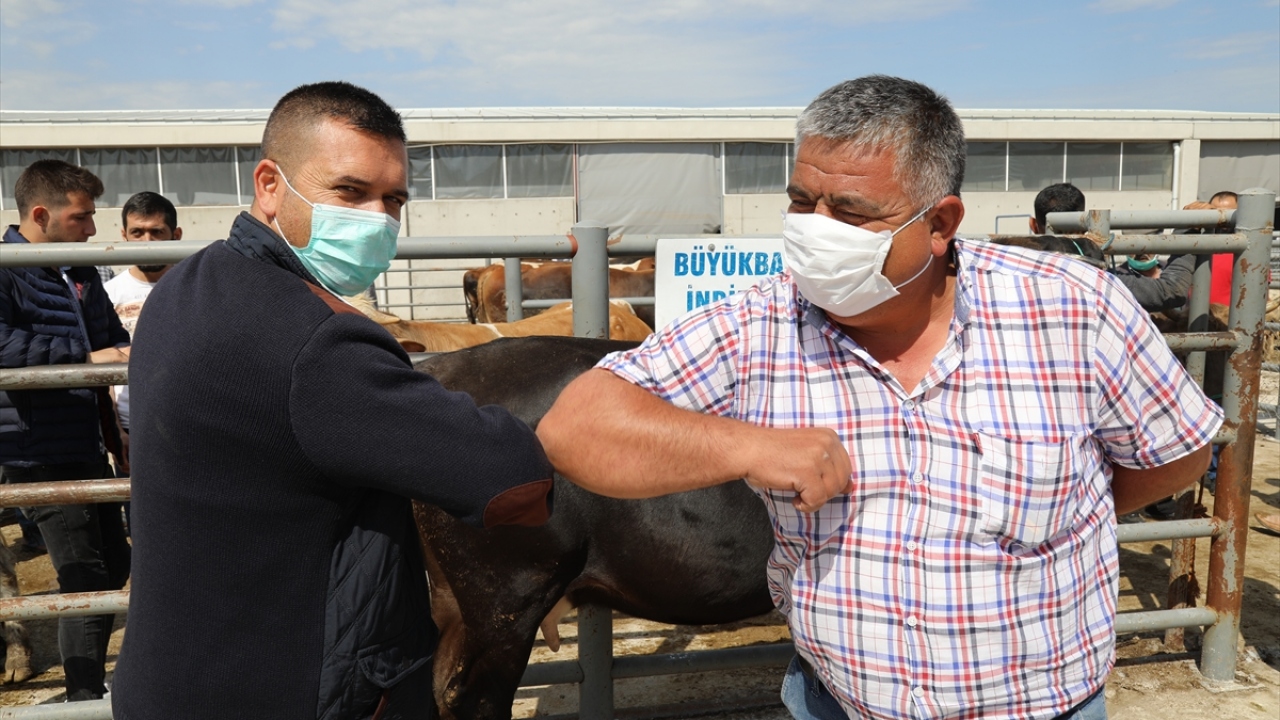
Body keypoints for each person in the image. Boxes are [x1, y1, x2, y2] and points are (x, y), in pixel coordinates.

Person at [536, 76, 1222, 720]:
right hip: (836, 701)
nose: (815, 228)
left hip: (1043, 705)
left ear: (940, 222)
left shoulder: (1073, 309)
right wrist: (744, 445)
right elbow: (576, 427)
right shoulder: (762, 324)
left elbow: (1174, 457)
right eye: (803, 201)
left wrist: (1074, 503)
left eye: (852, 211)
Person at [112, 81, 554, 720]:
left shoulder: (190, 285)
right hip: (288, 690)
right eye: (349, 192)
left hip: (175, 674)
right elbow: (511, 482)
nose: (377, 218)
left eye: (394, 199)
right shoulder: (314, 342)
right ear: (270, 184)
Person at [0, 160, 132, 701]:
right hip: (38, 450)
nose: (93, 230)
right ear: (40, 214)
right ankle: (83, 695)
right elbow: (4, 346)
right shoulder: (6, 268)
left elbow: (113, 336)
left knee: (114, 564)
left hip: (86, 441)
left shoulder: (77, 272)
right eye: (82, 217)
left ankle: (88, 685)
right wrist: (85, 355)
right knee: (84, 575)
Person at [103, 191, 183, 474]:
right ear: (124, 235)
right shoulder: (107, 294)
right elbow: (103, 376)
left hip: (185, 424)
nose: (146, 242)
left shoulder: (195, 289)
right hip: (129, 427)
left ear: (176, 235)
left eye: (156, 232)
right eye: (137, 232)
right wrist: (115, 432)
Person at [1032, 182, 1195, 313]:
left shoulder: (1012, 274)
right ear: (1084, 227)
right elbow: (1170, 291)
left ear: (1033, 225)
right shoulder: (1097, 280)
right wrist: (1189, 226)